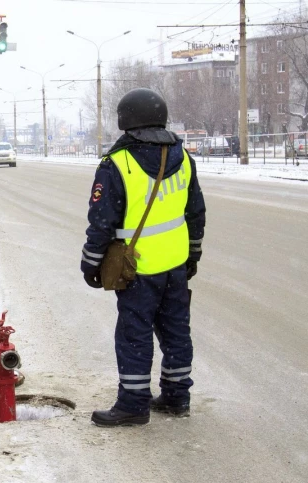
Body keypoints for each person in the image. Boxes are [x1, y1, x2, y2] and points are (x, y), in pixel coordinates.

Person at [81, 88, 206, 427]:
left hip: (136, 269)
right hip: (176, 264)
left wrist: (90, 263)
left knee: (134, 336)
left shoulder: (117, 164)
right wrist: (193, 253)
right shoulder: (182, 157)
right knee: (176, 330)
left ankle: (134, 404)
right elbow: (195, 212)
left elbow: (101, 221)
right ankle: (177, 396)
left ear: (125, 121)